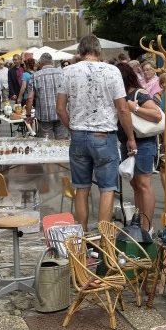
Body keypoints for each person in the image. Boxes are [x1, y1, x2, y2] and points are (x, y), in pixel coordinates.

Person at [56, 36, 136, 229]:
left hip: (78, 135)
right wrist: (131, 138)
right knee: (107, 190)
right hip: (104, 135)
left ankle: (82, 238)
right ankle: (104, 240)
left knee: (81, 189)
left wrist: (72, 128)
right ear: (99, 51)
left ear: (80, 52)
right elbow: (123, 109)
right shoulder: (112, 71)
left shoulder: (67, 71)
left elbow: (59, 109)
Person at [115, 62, 161, 231]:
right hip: (127, 143)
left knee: (143, 184)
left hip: (142, 143)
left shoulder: (138, 93)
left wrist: (134, 108)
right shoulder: (119, 95)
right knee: (135, 185)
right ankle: (141, 223)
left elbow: (156, 115)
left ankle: (147, 227)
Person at [28, 54, 67, 140]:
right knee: (61, 142)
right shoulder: (63, 73)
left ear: (41, 63)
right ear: (51, 62)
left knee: (46, 142)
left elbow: (30, 98)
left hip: (44, 115)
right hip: (61, 113)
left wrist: (28, 114)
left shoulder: (35, 76)